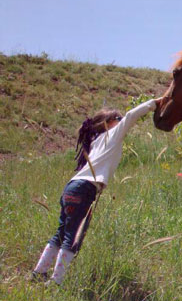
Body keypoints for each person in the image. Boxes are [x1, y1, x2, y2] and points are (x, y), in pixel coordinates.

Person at [30, 98, 158, 285]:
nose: (121, 120)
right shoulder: (112, 135)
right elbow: (132, 115)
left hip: (72, 187)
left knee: (61, 233)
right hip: (84, 189)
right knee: (73, 237)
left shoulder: (97, 140)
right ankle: (56, 282)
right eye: (118, 118)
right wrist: (154, 103)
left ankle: (38, 272)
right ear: (108, 122)